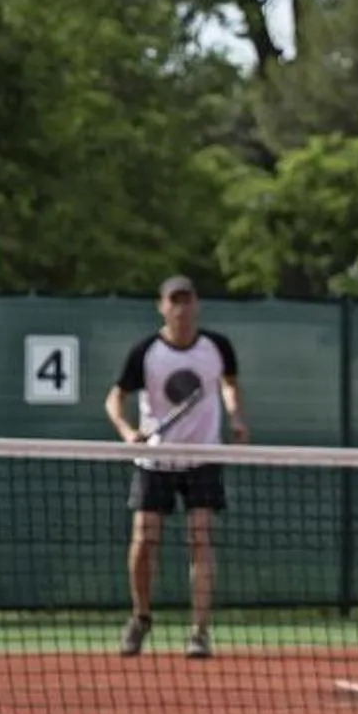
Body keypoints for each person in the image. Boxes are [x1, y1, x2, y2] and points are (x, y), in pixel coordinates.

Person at [104, 275, 247, 658]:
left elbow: (230, 384)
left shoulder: (217, 348)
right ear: (162, 306)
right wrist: (127, 431)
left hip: (203, 458)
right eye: (174, 301)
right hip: (156, 460)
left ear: (196, 304)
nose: (181, 308)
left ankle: (199, 631)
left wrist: (235, 416)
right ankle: (141, 617)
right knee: (144, 540)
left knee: (200, 538)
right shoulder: (146, 352)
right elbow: (114, 399)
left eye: (187, 300)